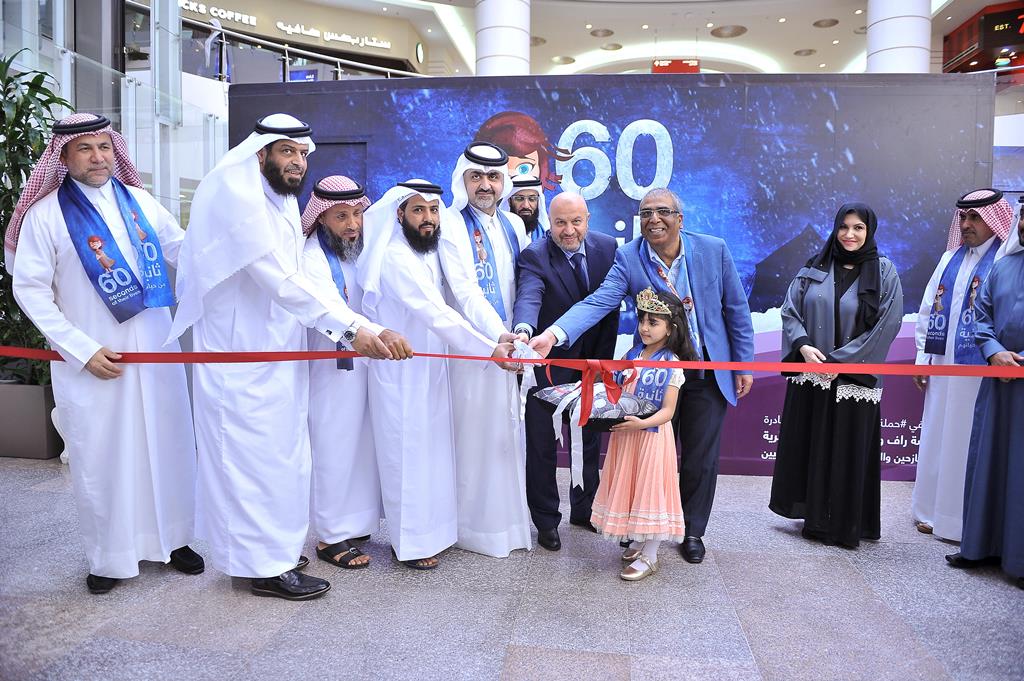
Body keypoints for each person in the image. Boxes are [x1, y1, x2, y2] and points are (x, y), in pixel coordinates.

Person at [168, 114, 407, 600]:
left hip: (276, 358)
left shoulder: (275, 196)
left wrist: (359, 326)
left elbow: (301, 279)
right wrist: (351, 329)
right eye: (287, 152)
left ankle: (270, 551)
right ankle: (264, 567)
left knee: (280, 460)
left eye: (302, 154)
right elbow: (277, 278)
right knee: (251, 461)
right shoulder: (235, 194)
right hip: (241, 360)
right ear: (261, 153)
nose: (297, 162)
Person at [6, 112, 203, 594]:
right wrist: (80, 349)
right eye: (85, 149)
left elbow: (184, 251)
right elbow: (31, 291)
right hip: (94, 357)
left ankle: (173, 539)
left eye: (105, 148)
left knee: (167, 443)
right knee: (104, 455)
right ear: (64, 157)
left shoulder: (140, 201)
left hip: (156, 348)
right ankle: (110, 557)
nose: (98, 158)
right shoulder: (46, 214)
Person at [529, 187, 755, 564]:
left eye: (663, 211)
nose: (654, 219)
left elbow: (736, 308)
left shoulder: (713, 249)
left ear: (679, 219)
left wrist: (743, 363)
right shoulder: (629, 257)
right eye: (646, 212)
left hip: (707, 370)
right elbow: (599, 302)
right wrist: (553, 334)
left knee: (699, 458)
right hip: (655, 374)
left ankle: (692, 530)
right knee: (649, 454)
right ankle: (642, 526)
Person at [359, 179, 516, 569]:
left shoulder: (428, 252)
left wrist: (497, 332)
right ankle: (409, 544)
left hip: (431, 370)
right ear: (400, 214)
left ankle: (435, 533)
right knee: (406, 455)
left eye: (433, 210)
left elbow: (465, 293)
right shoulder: (395, 256)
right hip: (400, 375)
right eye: (418, 211)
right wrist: (487, 349)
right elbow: (437, 313)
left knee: (432, 453)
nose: (428, 219)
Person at [769, 203, 904, 548]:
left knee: (846, 448)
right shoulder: (814, 267)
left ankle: (844, 523)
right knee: (813, 444)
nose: (849, 234)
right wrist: (802, 346)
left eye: (858, 228)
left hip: (851, 380)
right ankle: (815, 518)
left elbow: (885, 327)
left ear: (869, 231)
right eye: (844, 227)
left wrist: (836, 361)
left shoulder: (885, 273)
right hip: (812, 374)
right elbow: (790, 310)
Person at [301, 175, 403, 570]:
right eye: (341, 216)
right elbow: (329, 305)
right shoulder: (312, 255)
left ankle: (356, 523)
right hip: (329, 367)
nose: (352, 224)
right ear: (322, 219)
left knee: (362, 445)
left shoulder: (359, 252)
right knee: (334, 445)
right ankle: (329, 536)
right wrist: (375, 333)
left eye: (357, 213)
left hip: (366, 362)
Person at [512, 192, 618, 550]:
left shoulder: (609, 248)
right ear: (549, 222)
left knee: (588, 437)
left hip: (594, 362)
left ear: (588, 220)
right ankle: (546, 520)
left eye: (576, 221)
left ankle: (585, 509)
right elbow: (529, 295)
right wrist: (525, 331)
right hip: (550, 362)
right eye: (560, 222)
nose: (568, 230)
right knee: (542, 442)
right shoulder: (535, 255)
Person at [440, 142, 532, 557]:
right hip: (475, 350)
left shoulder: (514, 223)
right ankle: (473, 528)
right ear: (463, 180)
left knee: (507, 435)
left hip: (512, 346)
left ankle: (508, 526)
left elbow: (526, 283)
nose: (485, 185)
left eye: (493, 177)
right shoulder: (450, 223)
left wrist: (522, 335)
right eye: (475, 176)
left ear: (503, 182)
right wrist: (500, 338)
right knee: (474, 435)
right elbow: (465, 290)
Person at [911, 189, 1012, 540]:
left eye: (976, 217)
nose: (967, 224)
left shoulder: (1006, 261)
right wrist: (923, 357)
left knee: (965, 440)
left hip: (980, 371)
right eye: (964, 218)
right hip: (941, 365)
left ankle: (959, 519)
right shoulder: (949, 258)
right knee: (937, 434)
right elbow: (927, 310)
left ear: (995, 220)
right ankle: (927, 510)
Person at [592, 288, 696, 581]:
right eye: (642, 321)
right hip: (627, 435)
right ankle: (637, 540)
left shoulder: (671, 363)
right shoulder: (631, 354)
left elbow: (668, 412)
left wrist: (640, 423)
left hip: (651, 437)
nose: (645, 328)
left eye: (653, 323)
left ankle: (650, 555)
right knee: (632, 486)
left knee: (650, 489)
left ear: (670, 328)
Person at [945, 211, 1024, 590]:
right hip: (999, 382)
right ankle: (979, 546)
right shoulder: (1005, 266)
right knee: (988, 459)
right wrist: (993, 351)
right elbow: (981, 314)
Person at [502, 175, 549, 243]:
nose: (526, 205)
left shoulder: (545, 235)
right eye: (519, 199)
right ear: (509, 201)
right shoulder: (500, 233)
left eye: (532, 199)